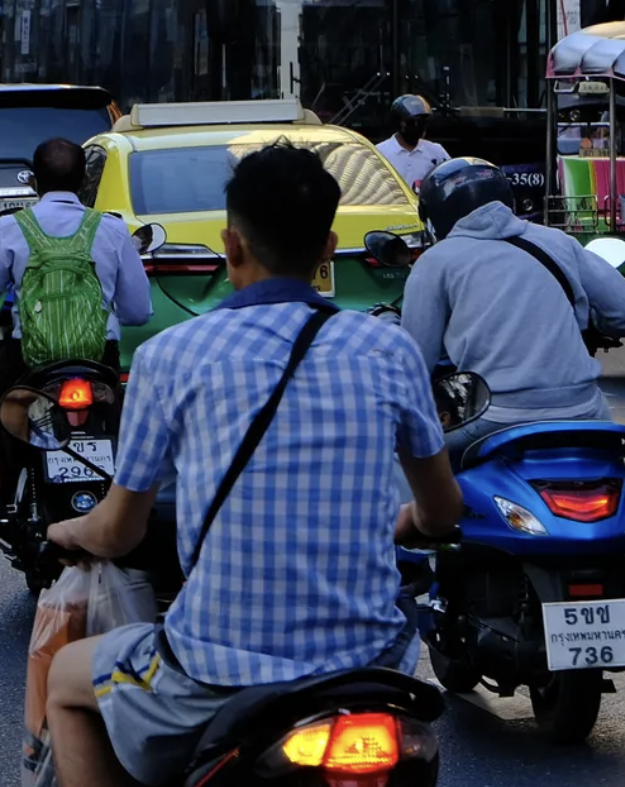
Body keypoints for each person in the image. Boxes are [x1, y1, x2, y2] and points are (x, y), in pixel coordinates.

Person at [43, 142, 464, 787]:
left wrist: (67, 533)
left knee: (69, 680)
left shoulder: (171, 356)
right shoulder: (390, 348)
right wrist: (398, 523)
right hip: (369, 665)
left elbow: (119, 533)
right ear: (327, 249)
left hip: (215, 669)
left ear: (231, 245)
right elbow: (440, 514)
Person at [400, 158, 625, 453]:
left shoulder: (436, 260)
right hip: (583, 411)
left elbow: (414, 368)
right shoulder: (557, 241)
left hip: (494, 418)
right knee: (618, 477)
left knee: (413, 457)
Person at [0, 137, 152, 373]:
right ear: (85, 180)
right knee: (114, 407)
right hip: (99, 358)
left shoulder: (8, 228)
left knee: (11, 406)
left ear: (33, 182)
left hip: (28, 362)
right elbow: (138, 312)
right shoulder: (113, 229)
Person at [376, 94, 450, 189]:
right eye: (413, 123)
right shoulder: (379, 153)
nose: (418, 127)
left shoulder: (436, 152)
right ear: (399, 123)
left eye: (422, 122)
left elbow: (452, 180)